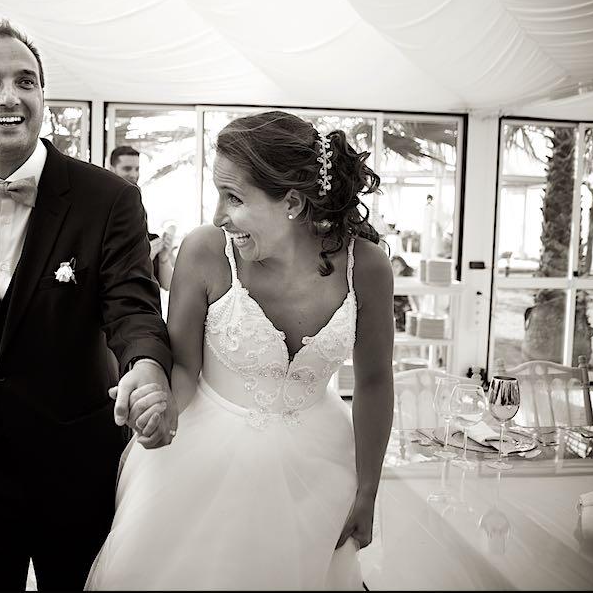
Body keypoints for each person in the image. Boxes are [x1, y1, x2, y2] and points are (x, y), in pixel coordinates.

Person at [0, 20, 174, 591]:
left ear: (42, 97)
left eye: (24, 81)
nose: (9, 97)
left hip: (75, 462)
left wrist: (147, 368)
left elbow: (132, 304)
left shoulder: (108, 198)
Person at [91, 111, 395, 589]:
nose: (217, 215)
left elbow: (375, 382)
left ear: (292, 202)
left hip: (320, 472)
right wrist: (163, 406)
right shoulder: (205, 252)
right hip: (202, 466)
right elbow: (187, 367)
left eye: (233, 197)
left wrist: (368, 490)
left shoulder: (368, 266)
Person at [108, 145, 174, 290]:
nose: (134, 174)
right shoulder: (103, 208)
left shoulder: (146, 232)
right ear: (112, 169)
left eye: (137, 169)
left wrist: (163, 256)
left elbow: (168, 285)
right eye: (127, 168)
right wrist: (143, 257)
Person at [390, 254, 418, 332]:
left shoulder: (406, 281)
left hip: (404, 311)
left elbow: (414, 296)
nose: (393, 268)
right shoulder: (387, 279)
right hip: (391, 311)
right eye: (392, 265)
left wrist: (418, 312)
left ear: (402, 268)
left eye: (397, 266)